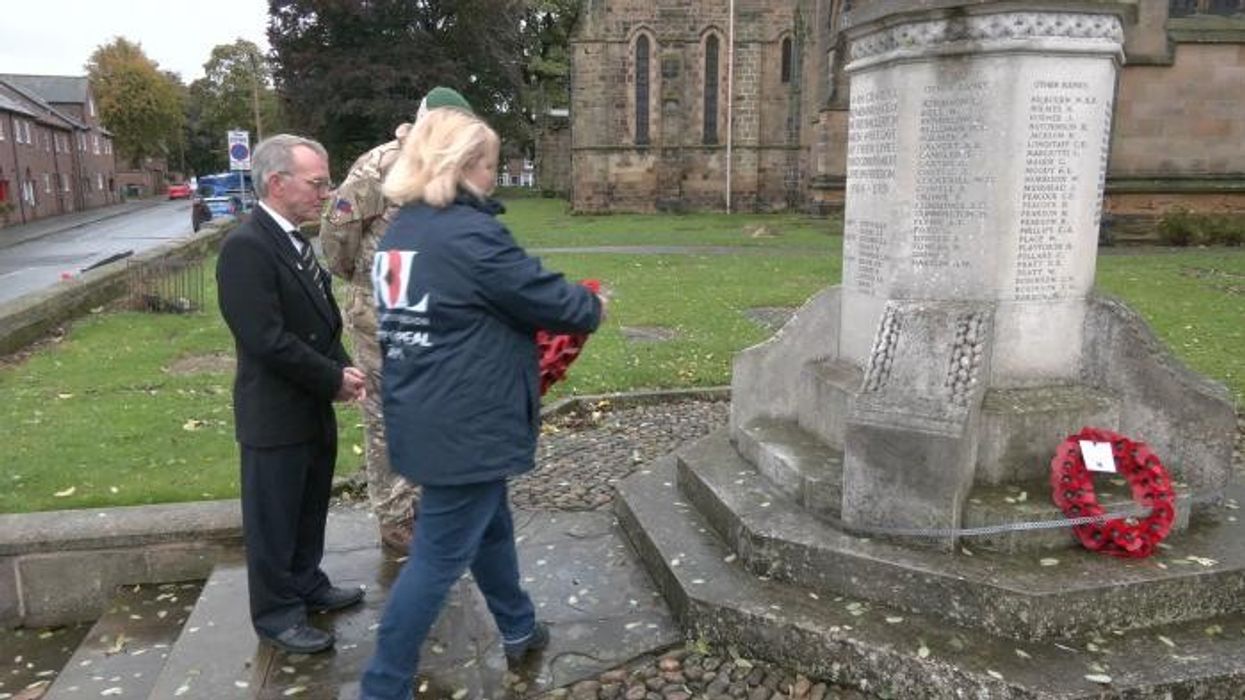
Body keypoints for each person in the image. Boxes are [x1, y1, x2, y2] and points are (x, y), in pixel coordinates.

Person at [358, 109, 604, 698]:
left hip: (424, 412)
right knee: (437, 561)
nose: (495, 177)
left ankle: (518, 627)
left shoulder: (402, 233)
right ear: (462, 165)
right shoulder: (469, 233)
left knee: (491, 527)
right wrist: (594, 305)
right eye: (492, 165)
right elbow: (545, 298)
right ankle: (382, 684)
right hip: (466, 424)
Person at [216, 134, 367, 655]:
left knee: (308, 506)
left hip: (310, 405)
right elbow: (265, 339)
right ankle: (277, 614)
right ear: (277, 183)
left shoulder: (294, 241)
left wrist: (342, 368)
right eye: (317, 182)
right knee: (274, 517)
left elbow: (320, 323)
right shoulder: (246, 247)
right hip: (274, 414)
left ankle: (307, 584)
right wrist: (330, 378)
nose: (326, 193)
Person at [321, 86, 474, 553]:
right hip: (381, 310)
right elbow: (337, 235)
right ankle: (395, 517)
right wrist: (367, 283)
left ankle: (428, 501)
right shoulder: (381, 166)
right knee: (386, 416)